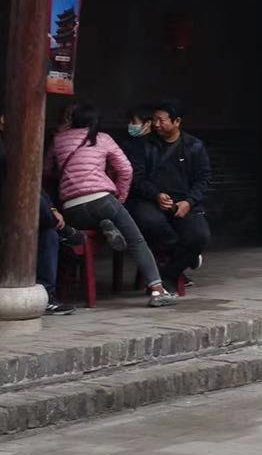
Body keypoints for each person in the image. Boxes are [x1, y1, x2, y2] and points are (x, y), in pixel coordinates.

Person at [44, 103, 178, 307]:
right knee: (136, 240)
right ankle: (158, 291)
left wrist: (67, 177)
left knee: (82, 227)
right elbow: (126, 170)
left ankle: (103, 225)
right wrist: (120, 199)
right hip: (103, 200)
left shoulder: (58, 139)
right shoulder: (103, 138)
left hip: (71, 207)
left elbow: (46, 170)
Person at [128, 99, 211, 290]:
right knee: (151, 222)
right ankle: (186, 256)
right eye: (154, 120)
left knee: (200, 236)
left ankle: (167, 277)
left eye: (161, 120)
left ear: (177, 121)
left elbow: (203, 179)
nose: (156, 124)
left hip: (183, 203)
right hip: (151, 201)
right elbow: (137, 178)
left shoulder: (194, 146)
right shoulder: (144, 144)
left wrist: (189, 202)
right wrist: (156, 194)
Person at [0, 113, 79, 314]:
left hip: (20, 210)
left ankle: (46, 296)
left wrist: (52, 208)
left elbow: (32, 181)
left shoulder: (16, 144)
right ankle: (64, 231)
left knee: (48, 234)